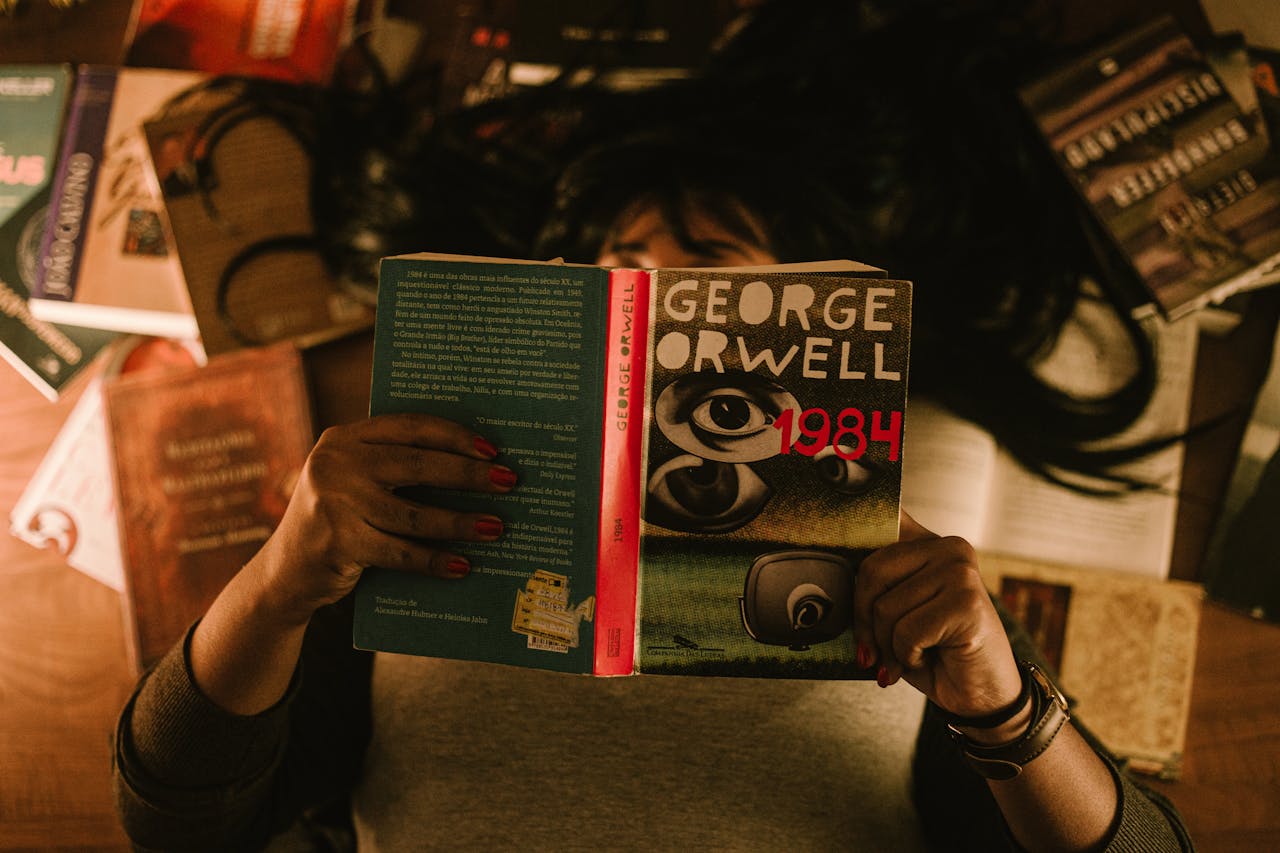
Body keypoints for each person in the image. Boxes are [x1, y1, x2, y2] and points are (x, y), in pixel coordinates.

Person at [111, 141, 1193, 850]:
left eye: (710, 260)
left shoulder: (887, 544)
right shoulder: (430, 504)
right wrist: (279, 579)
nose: (659, 286)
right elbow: (172, 820)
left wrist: (999, 701)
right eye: (619, 265)